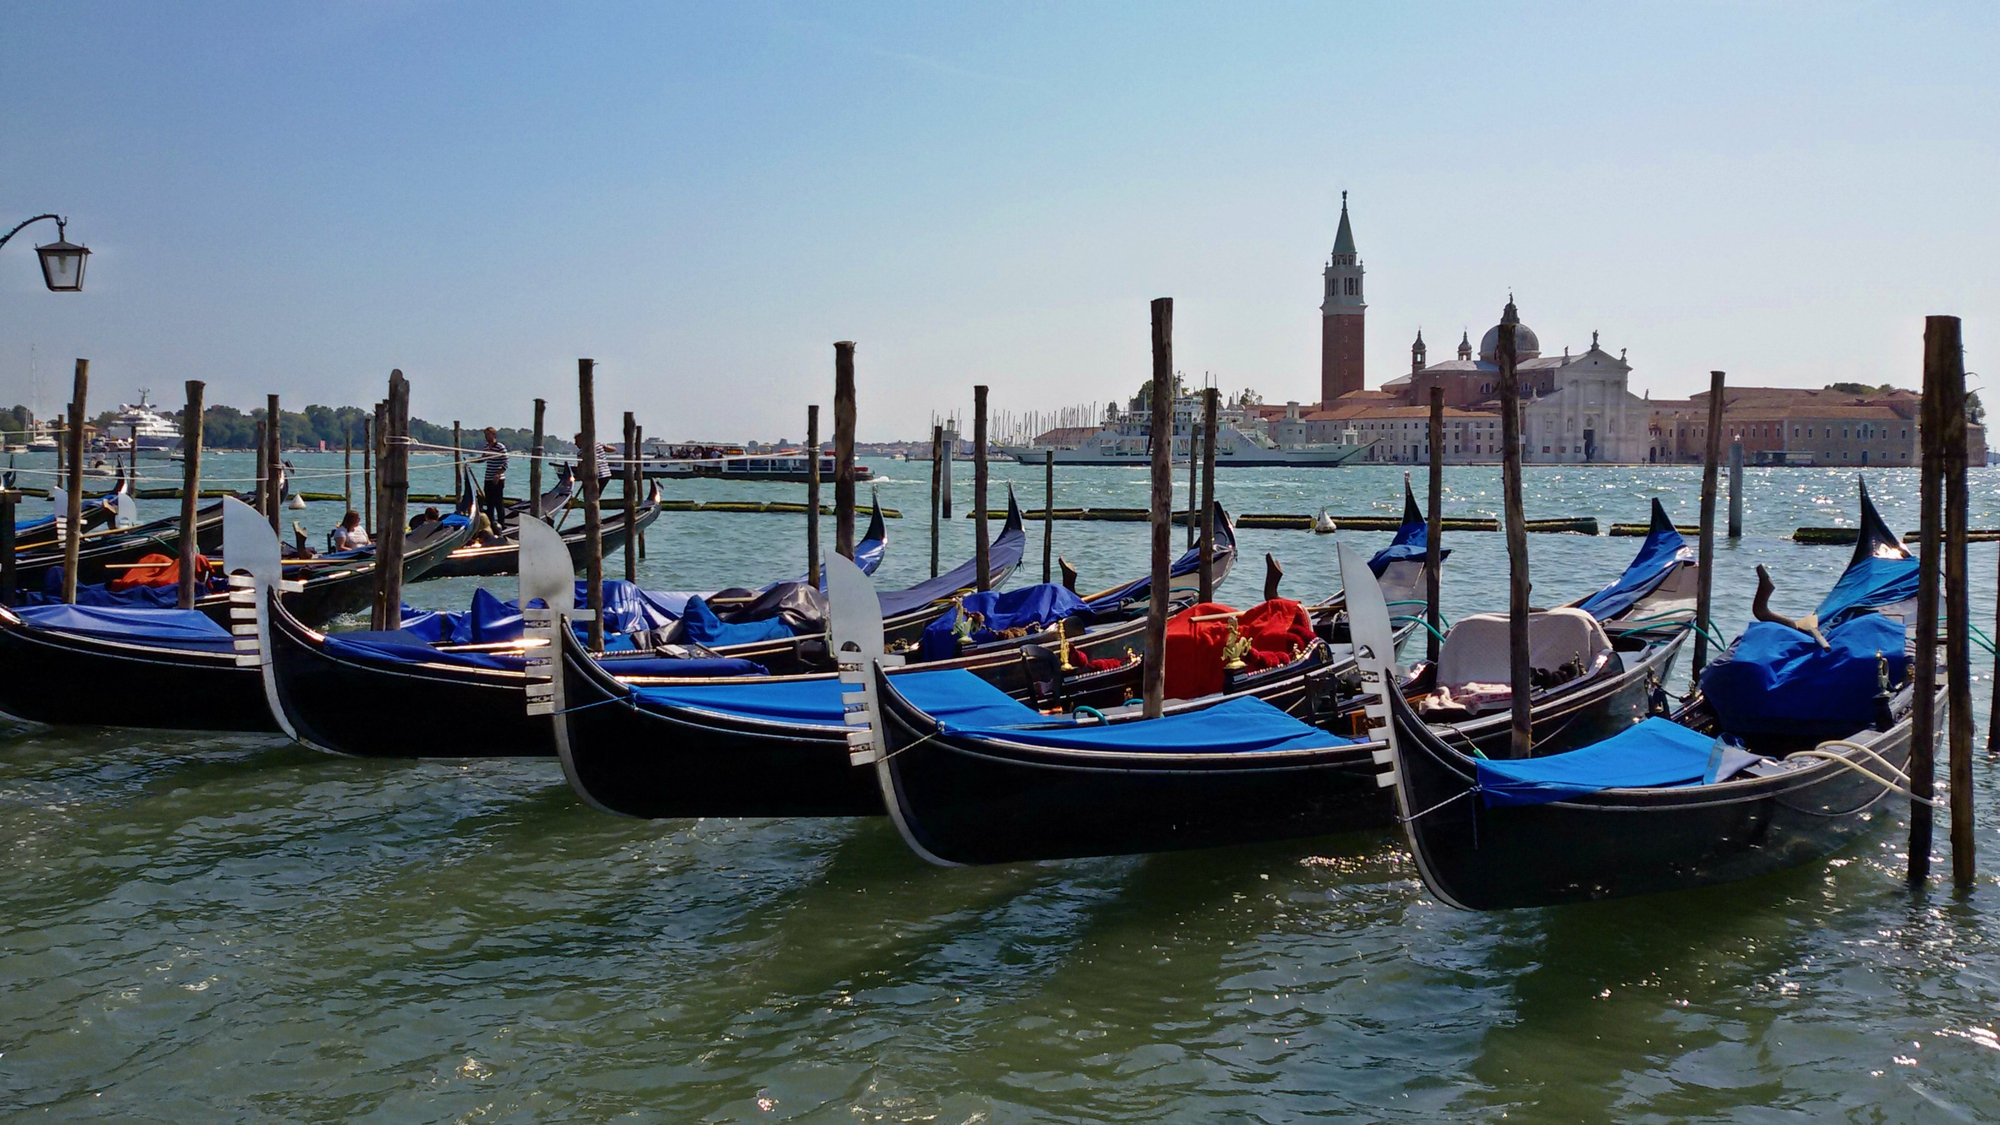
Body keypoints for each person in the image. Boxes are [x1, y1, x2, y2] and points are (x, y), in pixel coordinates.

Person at [479, 427, 508, 522]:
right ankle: (490, 523)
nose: (486, 437)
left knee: (498, 502)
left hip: (498, 479)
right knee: (489, 503)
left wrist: (498, 475)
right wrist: (470, 461)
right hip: (488, 478)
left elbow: (505, 463)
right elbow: (482, 459)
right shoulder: (486, 447)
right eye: (485, 435)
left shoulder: (500, 447)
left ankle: (501, 523)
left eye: (488, 434)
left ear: (494, 435)